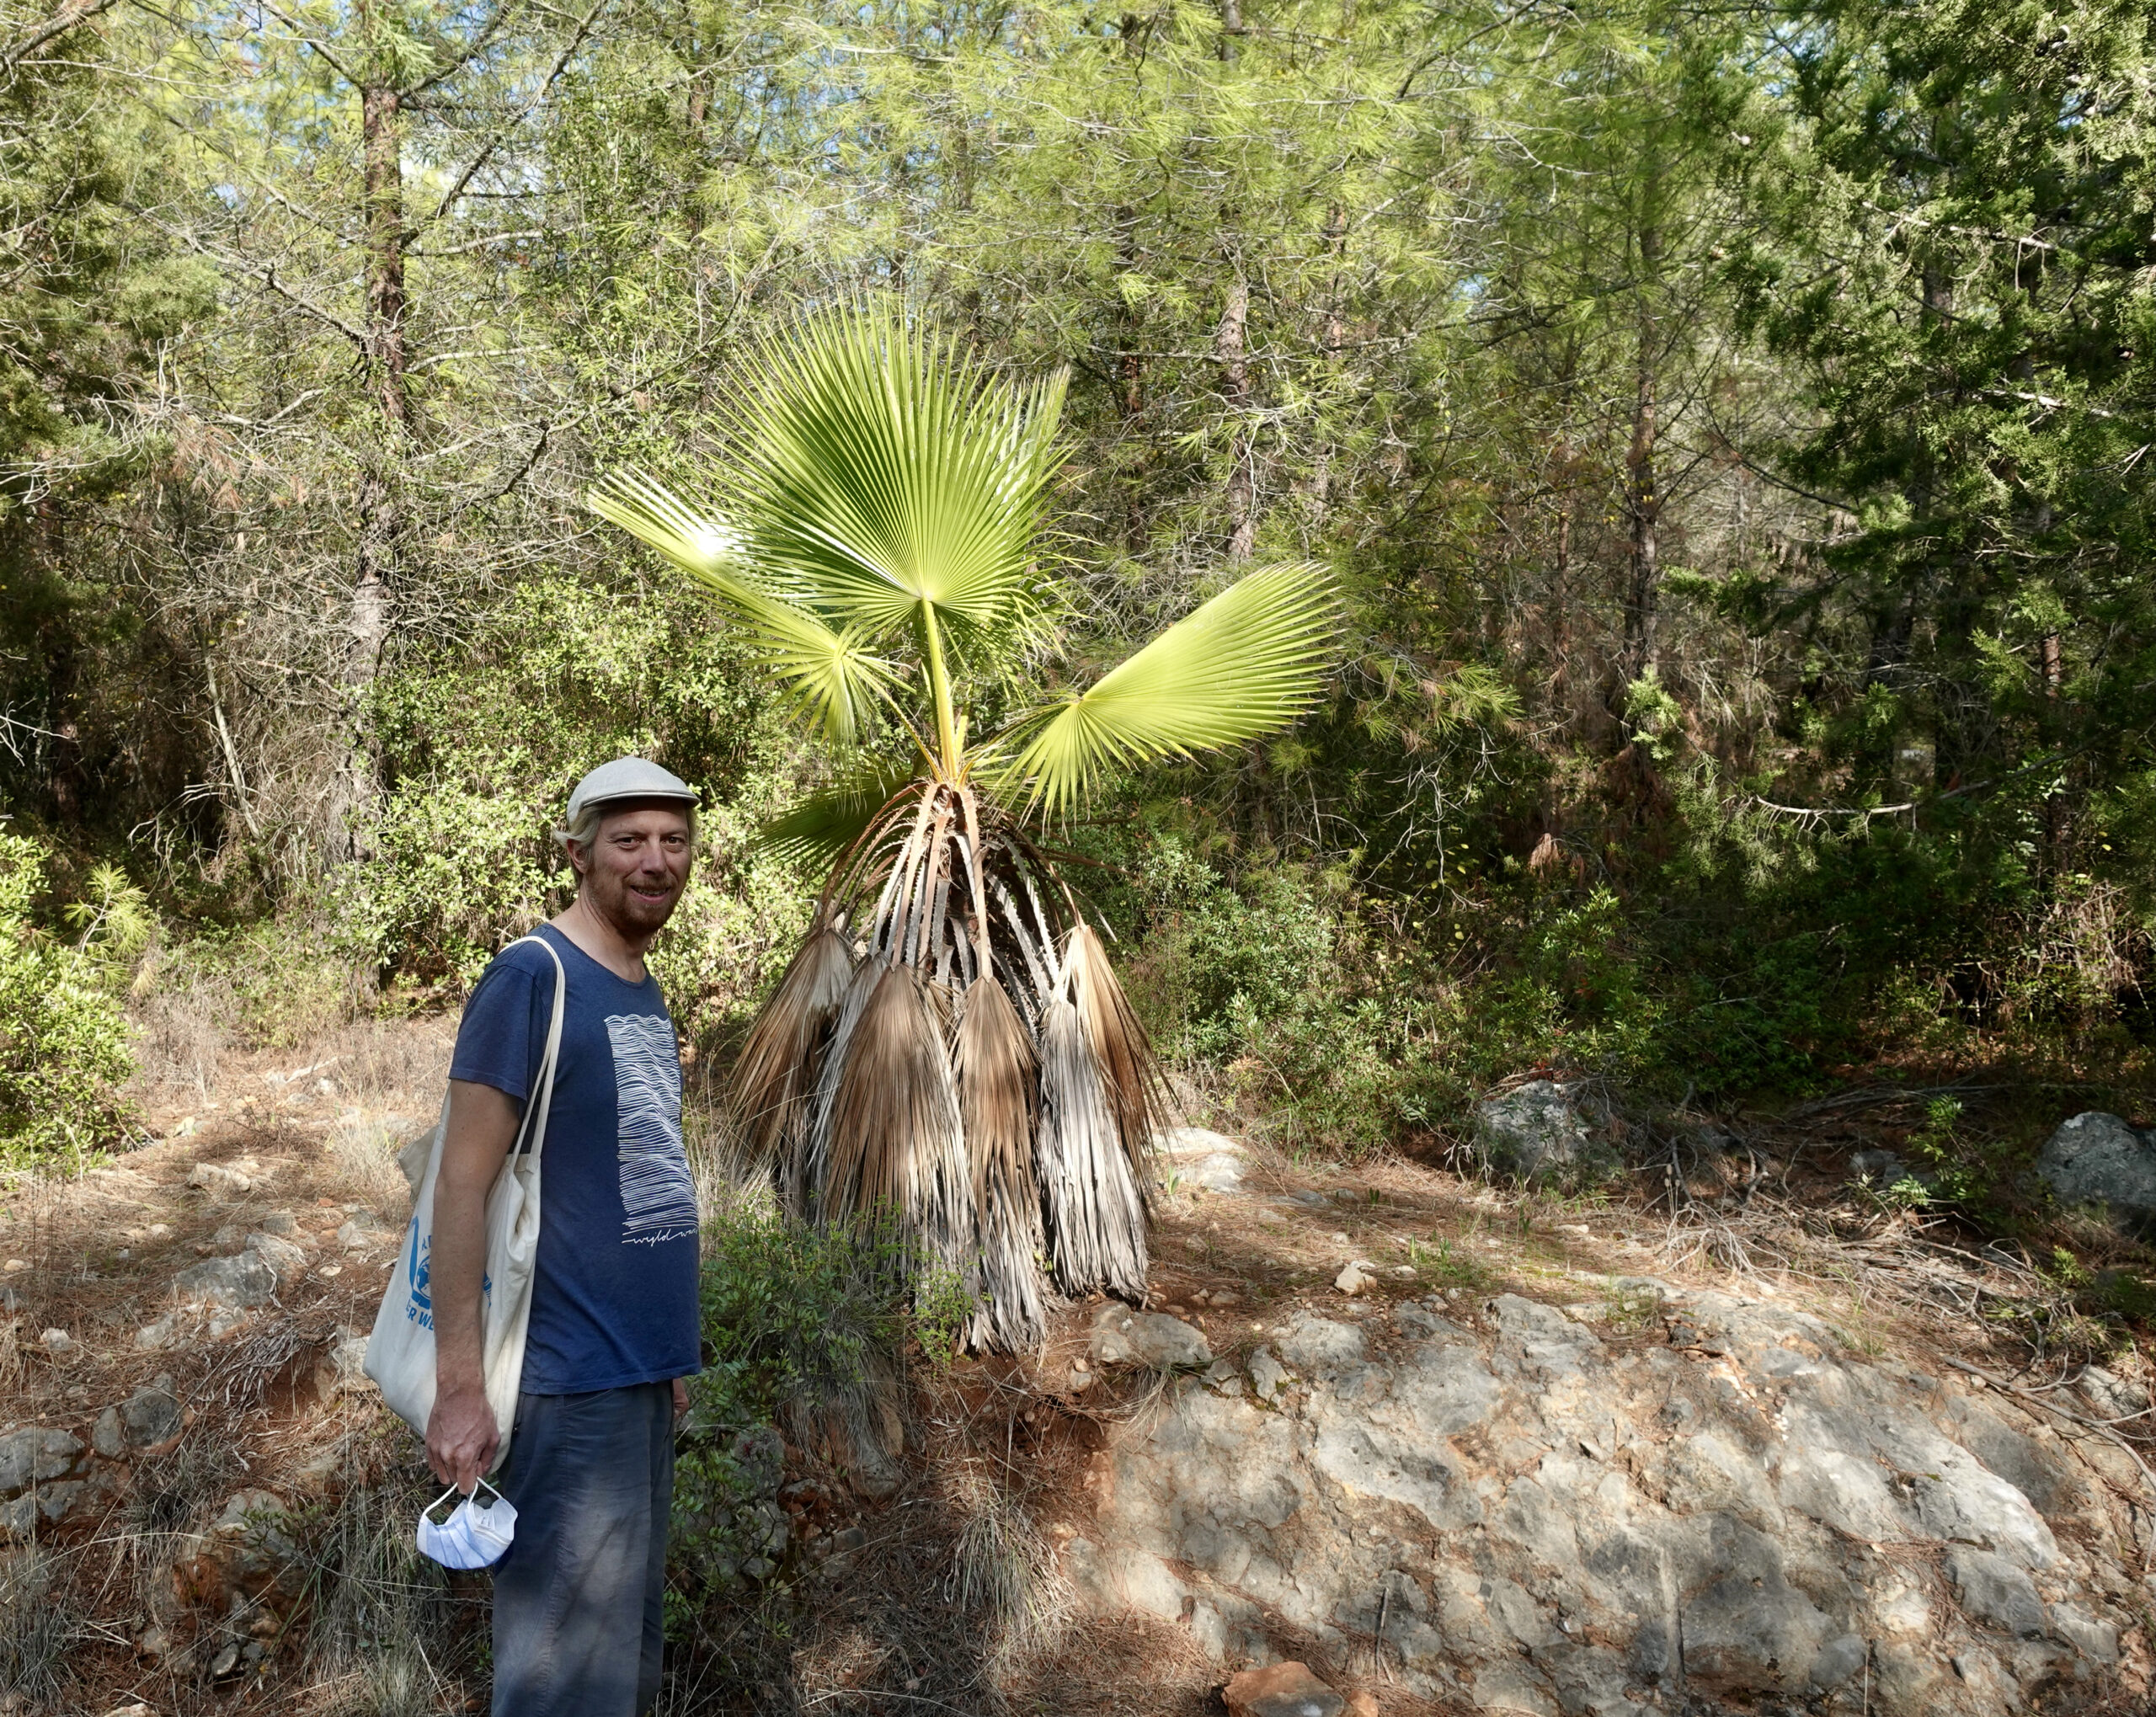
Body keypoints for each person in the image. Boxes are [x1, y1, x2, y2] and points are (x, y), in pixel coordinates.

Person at [426, 756, 703, 1717]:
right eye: (630, 839)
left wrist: (666, 1353)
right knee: (560, 1678)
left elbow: (631, 1182)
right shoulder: (529, 977)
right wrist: (458, 1387)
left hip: (632, 1372)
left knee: (616, 1665)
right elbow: (462, 1183)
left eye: (673, 840)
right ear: (580, 852)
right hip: (562, 1376)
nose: (655, 860)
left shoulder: (640, 985)